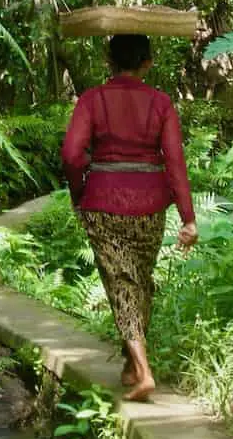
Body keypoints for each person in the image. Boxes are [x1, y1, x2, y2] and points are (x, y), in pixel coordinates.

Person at [61, 34, 198, 402]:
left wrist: (81, 191)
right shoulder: (161, 103)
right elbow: (175, 162)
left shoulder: (92, 100)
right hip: (151, 206)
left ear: (109, 61)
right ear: (147, 63)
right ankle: (130, 362)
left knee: (122, 283)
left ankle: (143, 370)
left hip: (104, 203)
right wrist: (188, 217)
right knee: (138, 279)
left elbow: (72, 155)